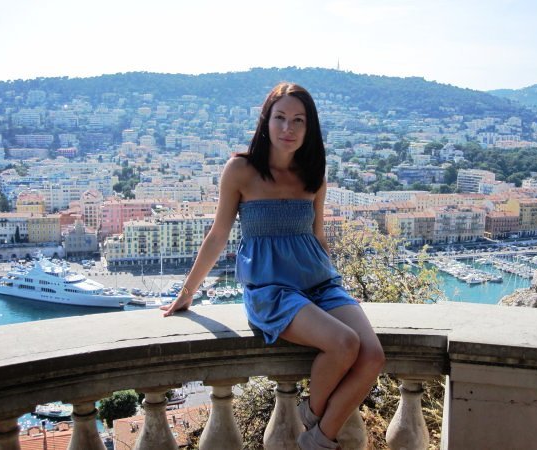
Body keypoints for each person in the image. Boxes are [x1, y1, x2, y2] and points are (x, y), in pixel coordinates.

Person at [162, 82, 385, 449]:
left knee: (373, 356)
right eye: (280, 117)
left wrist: (340, 291)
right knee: (345, 343)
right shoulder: (241, 170)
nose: (288, 128)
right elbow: (218, 235)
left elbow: (318, 236)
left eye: (298, 120)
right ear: (266, 121)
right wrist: (187, 293)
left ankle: (315, 435)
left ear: (309, 128)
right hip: (272, 291)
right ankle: (315, 426)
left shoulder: (314, 176)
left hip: (320, 284)